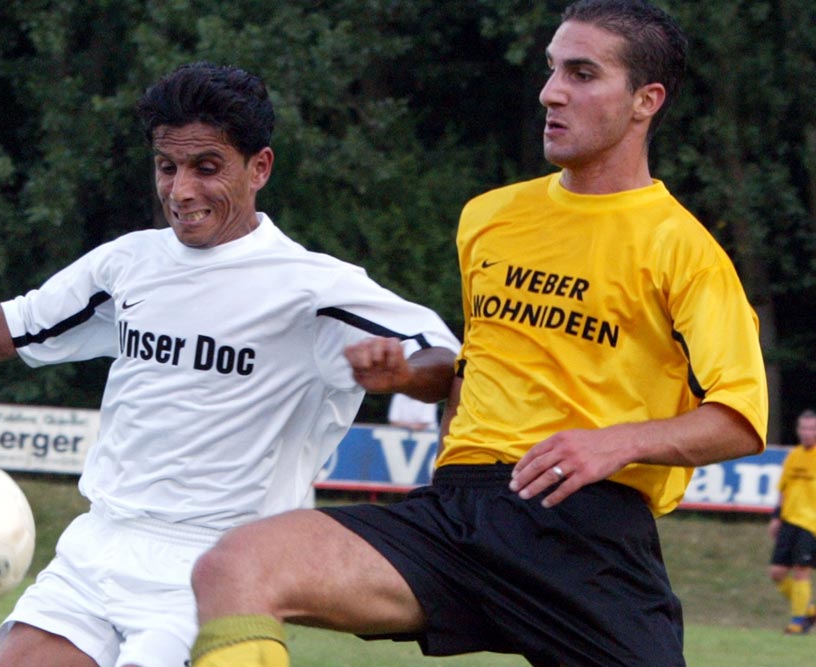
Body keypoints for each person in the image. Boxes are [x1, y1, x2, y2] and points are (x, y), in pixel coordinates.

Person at [187, 2, 768, 666]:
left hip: (586, 536)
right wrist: (411, 377)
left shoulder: (684, 250)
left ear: (646, 100)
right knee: (237, 565)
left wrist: (614, 443)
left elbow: (740, 418)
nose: (551, 92)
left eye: (582, 74)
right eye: (552, 69)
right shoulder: (490, 217)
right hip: (459, 516)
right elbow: (479, 367)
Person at [0, 62, 459, 667]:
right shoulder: (129, 263)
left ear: (260, 168)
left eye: (206, 167)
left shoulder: (314, 287)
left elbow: (445, 359)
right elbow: (24, 321)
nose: (181, 191)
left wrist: (404, 376)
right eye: (167, 167)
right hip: (99, 544)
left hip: (219, 565)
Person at [768, 409, 816, 634]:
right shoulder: (794, 455)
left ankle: (798, 622)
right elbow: (783, 488)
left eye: (812, 428)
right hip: (789, 521)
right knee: (777, 573)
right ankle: (807, 609)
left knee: (801, 570)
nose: (807, 432)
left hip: (811, 524)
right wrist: (776, 517)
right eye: (803, 428)